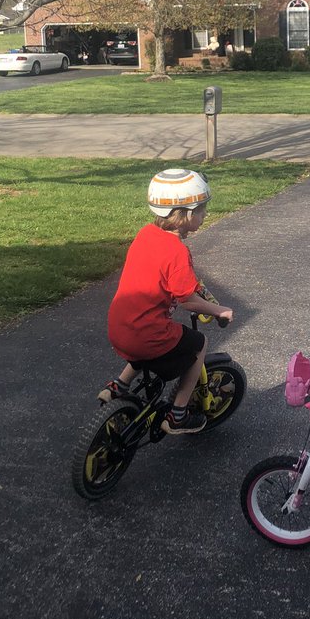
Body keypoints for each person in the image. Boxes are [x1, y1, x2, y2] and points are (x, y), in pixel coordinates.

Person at [99, 168, 233, 434]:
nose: (205, 216)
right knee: (198, 345)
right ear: (188, 213)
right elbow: (188, 301)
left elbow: (163, 275)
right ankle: (178, 415)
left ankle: (118, 386)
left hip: (119, 327)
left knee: (145, 334)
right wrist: (220, 310)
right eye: (203, 211)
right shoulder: (177, 251)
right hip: (146, 336)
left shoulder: (145, 235)